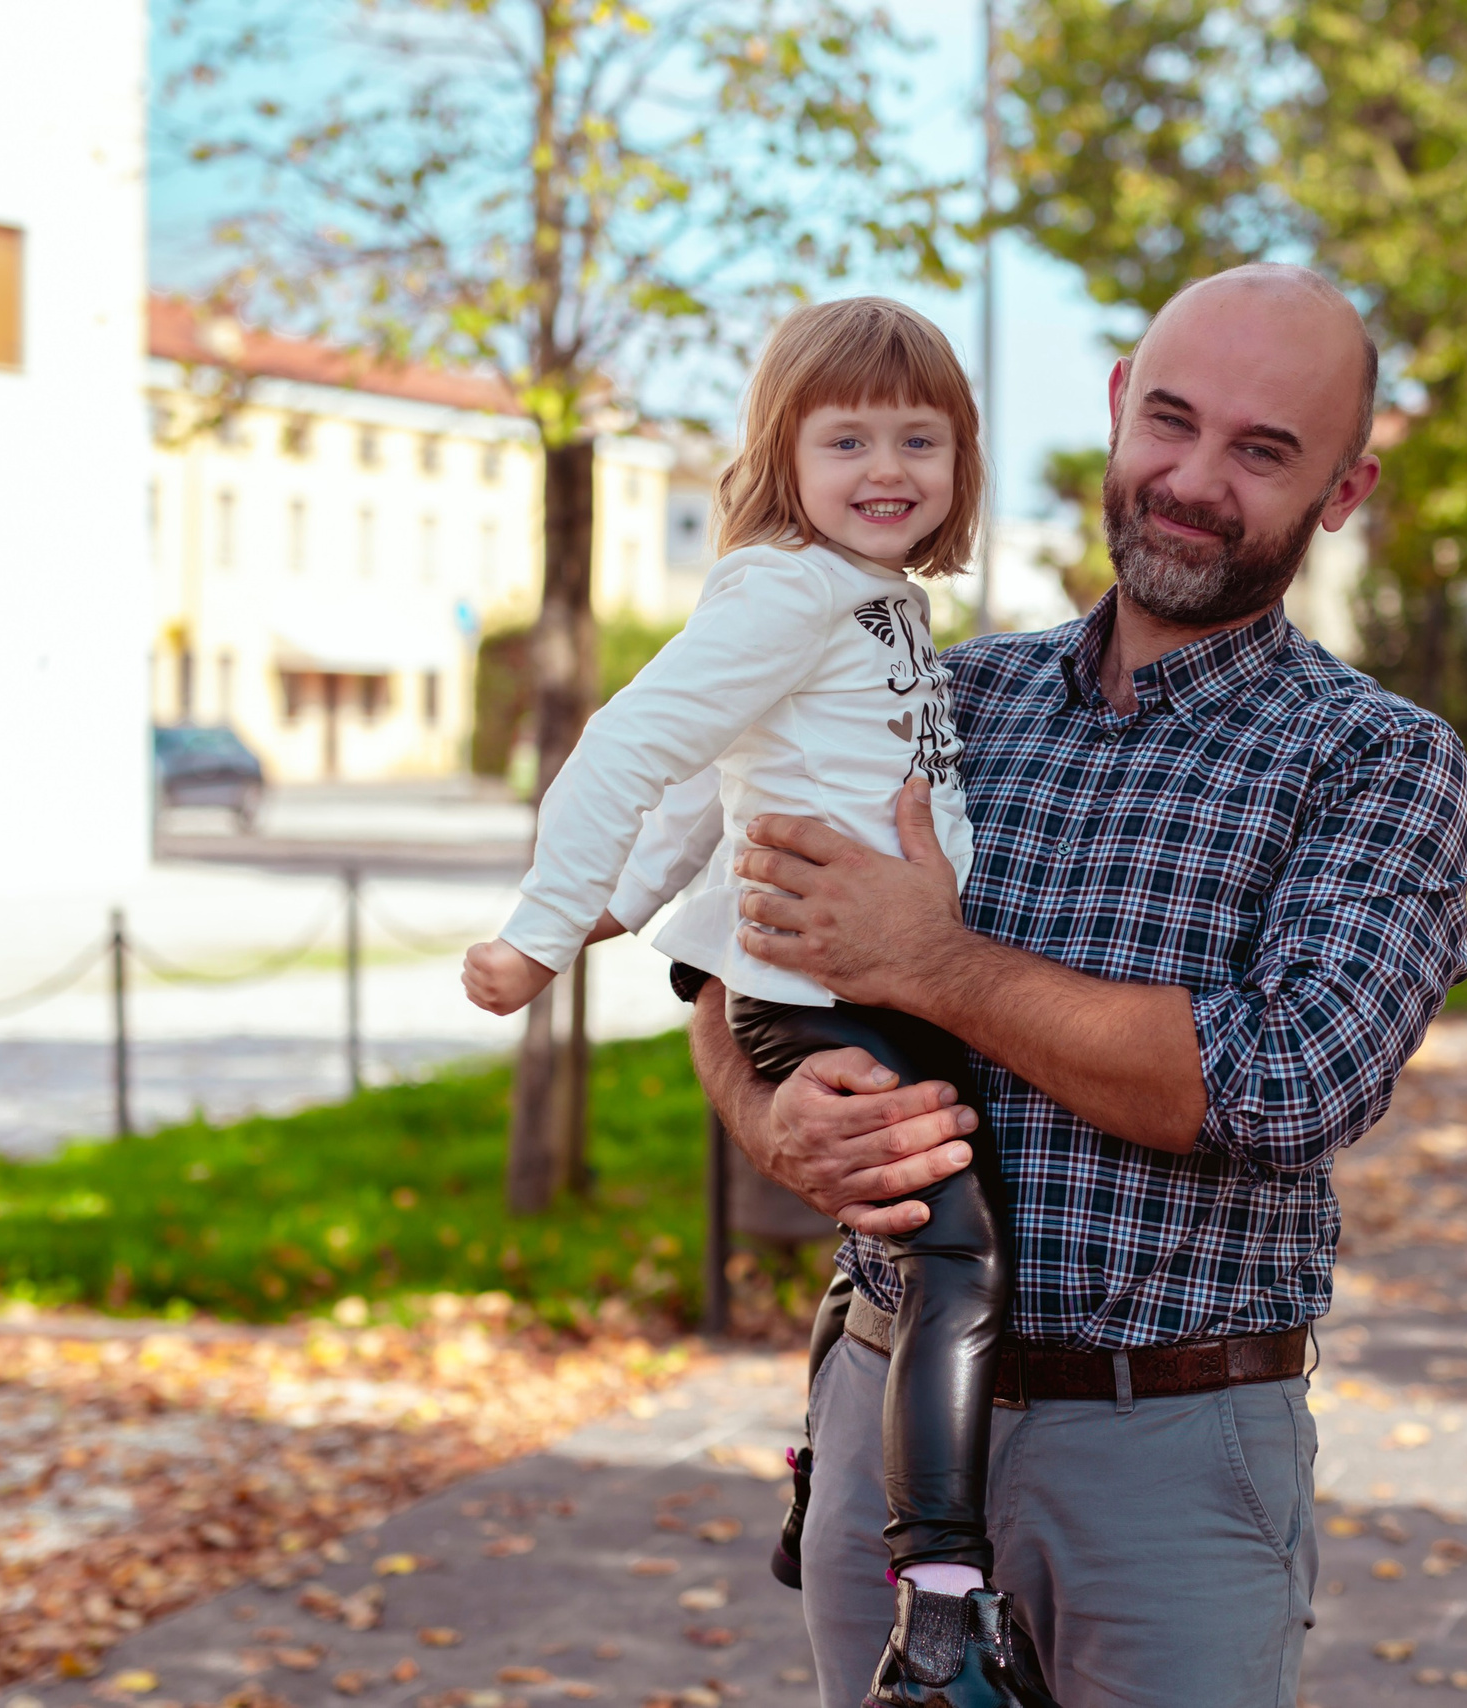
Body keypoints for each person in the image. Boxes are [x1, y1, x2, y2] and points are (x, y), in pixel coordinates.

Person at [651, 263, 1467, 1706]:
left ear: (1344, 492)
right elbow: (728, 964)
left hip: (1167, 1455)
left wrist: (933, 964)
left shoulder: (1377, 759)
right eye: (1171, 420)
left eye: (1263, 451)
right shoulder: (935, 696)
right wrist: (769, 1119)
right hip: (884, 1418)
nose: (1194, 479)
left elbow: (1283, 1086)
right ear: (1114, 410)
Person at [457, 297, 1055, 1708]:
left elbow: (714, 794)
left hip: (885, 979)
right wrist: (546, 931)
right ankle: (945, 1604)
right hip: (816, 989)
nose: (887, 465)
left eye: (922, 436)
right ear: (781, 459)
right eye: (844, 437)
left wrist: (624, 903)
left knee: (923, 1255)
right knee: (958, 1261)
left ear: (966, 458)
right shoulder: (787, 588)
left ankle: (832, 1485)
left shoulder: (874, 596)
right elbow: (633, 744)